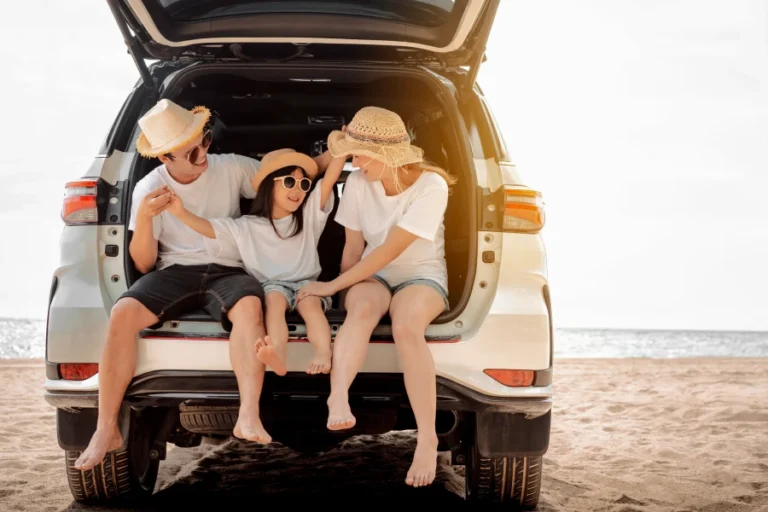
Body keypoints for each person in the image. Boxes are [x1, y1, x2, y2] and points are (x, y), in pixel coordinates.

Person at [74, 99, 335, 470]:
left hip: (229, 269)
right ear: (165, 157)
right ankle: (106, 429)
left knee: (250, 306)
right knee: (122, 313)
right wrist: (145, 219)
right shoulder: (149, 187)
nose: (204, 154)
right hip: (174, 270)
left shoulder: (231, 167)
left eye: (206, 140)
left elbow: (284, 174)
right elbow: (144, 263)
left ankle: (248, 415)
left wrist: (337, 152)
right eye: (193, 151)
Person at [296, 106, 457, 488]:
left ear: (387, 155)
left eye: (360, 155)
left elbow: (390, 250)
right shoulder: (356, 183)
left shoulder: (431, 186)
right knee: (363, 310)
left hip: (421, 274)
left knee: (406, 327)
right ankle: (337, 396)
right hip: (373, 274)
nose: (354, 162)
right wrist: (343, 297)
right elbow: (354, 249)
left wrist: (330, 286)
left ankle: (427, 438)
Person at [166, 148, 347, 376]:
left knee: (311, 305)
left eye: (304, 184)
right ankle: (277, 354)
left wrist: (344, 148)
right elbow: (211, 229)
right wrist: (180, 213)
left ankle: (323, 353)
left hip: (307, 285)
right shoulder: (247, 226)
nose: (298, 190)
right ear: (269, 185)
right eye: (289, 181)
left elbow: (328, 180)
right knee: (273, 300)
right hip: (272, 286)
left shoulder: (309, 217)